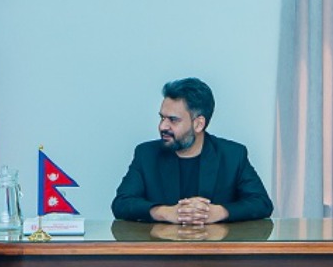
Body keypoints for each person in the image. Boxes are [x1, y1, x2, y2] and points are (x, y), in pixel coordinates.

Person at [112, 78, 273, 224]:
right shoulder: (146, 154)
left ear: (198, 124)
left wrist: (219, 212)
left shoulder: (232, 155)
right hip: (161, 246)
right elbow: (121, 204)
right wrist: (164, 212)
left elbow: (261, 203)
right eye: (162, 118)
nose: (162, 126)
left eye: (173, 120)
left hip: (216, 246)